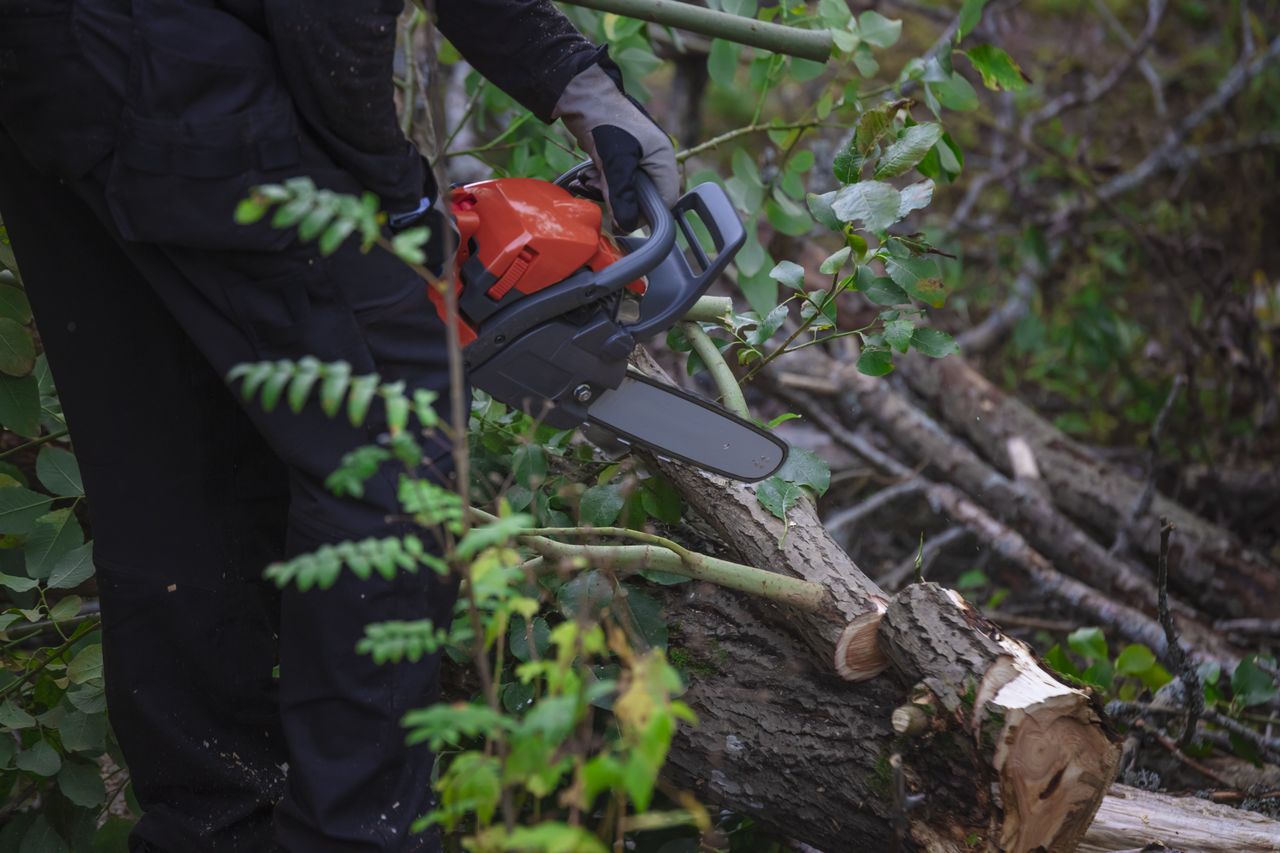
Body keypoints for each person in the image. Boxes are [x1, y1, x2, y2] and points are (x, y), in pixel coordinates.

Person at [0, 1, 677, 850]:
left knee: (170, 451)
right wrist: (396, 195)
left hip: (43, 67)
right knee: (392, 434)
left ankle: (212, 826)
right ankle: (355, 833)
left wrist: (578, 83)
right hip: (175, 61)